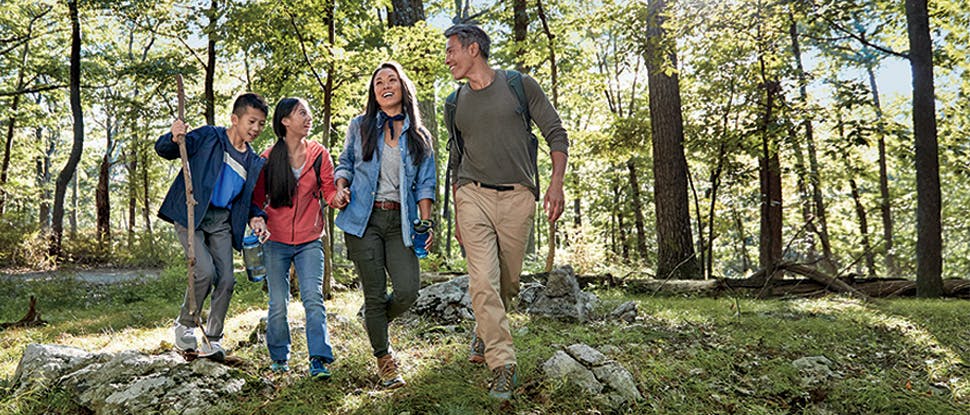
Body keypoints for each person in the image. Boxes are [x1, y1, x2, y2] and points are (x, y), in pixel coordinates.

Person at [443, 24, 568, 400]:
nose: (447, 58)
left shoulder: (519, 85)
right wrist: (456, 213)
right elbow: (455, 159)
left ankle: (484, 331)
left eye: (452, 50)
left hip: (518, 197)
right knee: (482, 280)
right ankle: (503, 365)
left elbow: (555, 132)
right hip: (472, 196)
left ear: (474, 49)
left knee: (506, 283)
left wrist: (556, 183)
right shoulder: (454, 102)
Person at [332, 62, 436, 389]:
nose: (385, 85)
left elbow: (426, 183)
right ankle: (384, 357)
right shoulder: (359, 126)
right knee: (374, 293)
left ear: (403, 88)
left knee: (408, 290)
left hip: (401, 223)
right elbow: (345, 163)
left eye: (392, 80)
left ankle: (373, 320)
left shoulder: (420, 135)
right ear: (373, 92)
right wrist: (340, 186)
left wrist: (426, 221)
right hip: (364, 220)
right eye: (379, 81)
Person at [155, 93, 271, 362]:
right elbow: (166, 150)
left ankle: (213, 339)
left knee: (227, 279)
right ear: (234, 119)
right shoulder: (209, 136)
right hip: (192, 213)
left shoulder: (253, 161)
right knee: (204, 271)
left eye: (261, 124)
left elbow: (250, 199)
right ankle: (185, 324)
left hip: (221, 221)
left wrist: (256, 216)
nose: (255, 128)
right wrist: (173, 136)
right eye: (251, 121)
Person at [252, 97, 339, 379]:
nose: (308, 117)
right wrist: (257, 221)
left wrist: (339, 197)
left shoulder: (319, 154)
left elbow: (329, 191)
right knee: (278, 302)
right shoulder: (267, 158)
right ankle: (279, 358)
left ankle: (319, 359)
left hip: (310, 239)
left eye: (309, 113)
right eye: (301, 113)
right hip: (275, 241)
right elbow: (257, 200)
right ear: (285, 121)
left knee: (313, 298)